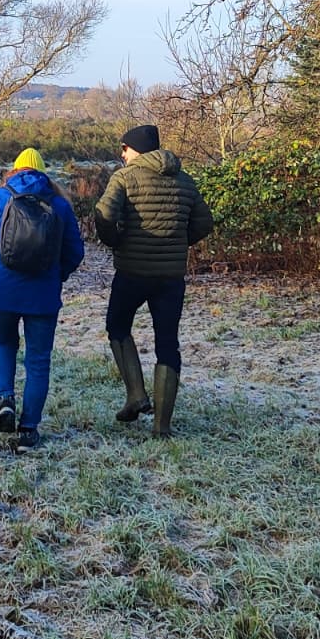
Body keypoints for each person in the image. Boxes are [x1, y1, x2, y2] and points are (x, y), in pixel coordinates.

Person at [94, 124, 213, 439]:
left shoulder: (125, 178)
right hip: (171, 278)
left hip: (131, 272)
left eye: (124, 148)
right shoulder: (184, 180)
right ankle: (162, 426)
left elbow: (104, 214)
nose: (122, 154)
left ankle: (136, 394)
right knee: (168, 344)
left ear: (134, 149)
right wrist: (178, 244)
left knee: (118, 327)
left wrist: (116, 241)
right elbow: (204, 222)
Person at [0, 148, 84, 453]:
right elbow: (75, 252)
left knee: (5, 343)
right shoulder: (59, 204)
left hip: (0, 290)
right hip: (43, 295)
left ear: (14, 170)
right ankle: (29, 430)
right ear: (43, 172)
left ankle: (5, 399)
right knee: (38, 360)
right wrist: (57, 276)